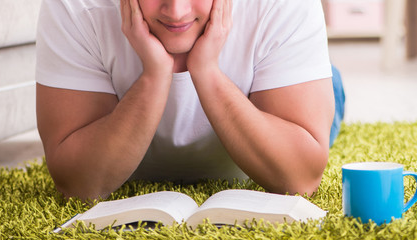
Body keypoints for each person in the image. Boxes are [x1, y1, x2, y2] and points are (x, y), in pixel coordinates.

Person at [35, 0, 345, 201]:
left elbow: (300, 178)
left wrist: (207, 73)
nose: (177, 11)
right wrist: (155, 77)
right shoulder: (75, 6)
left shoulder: (283, 6)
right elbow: (75, 184)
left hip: (266, 96)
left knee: (329, 90)